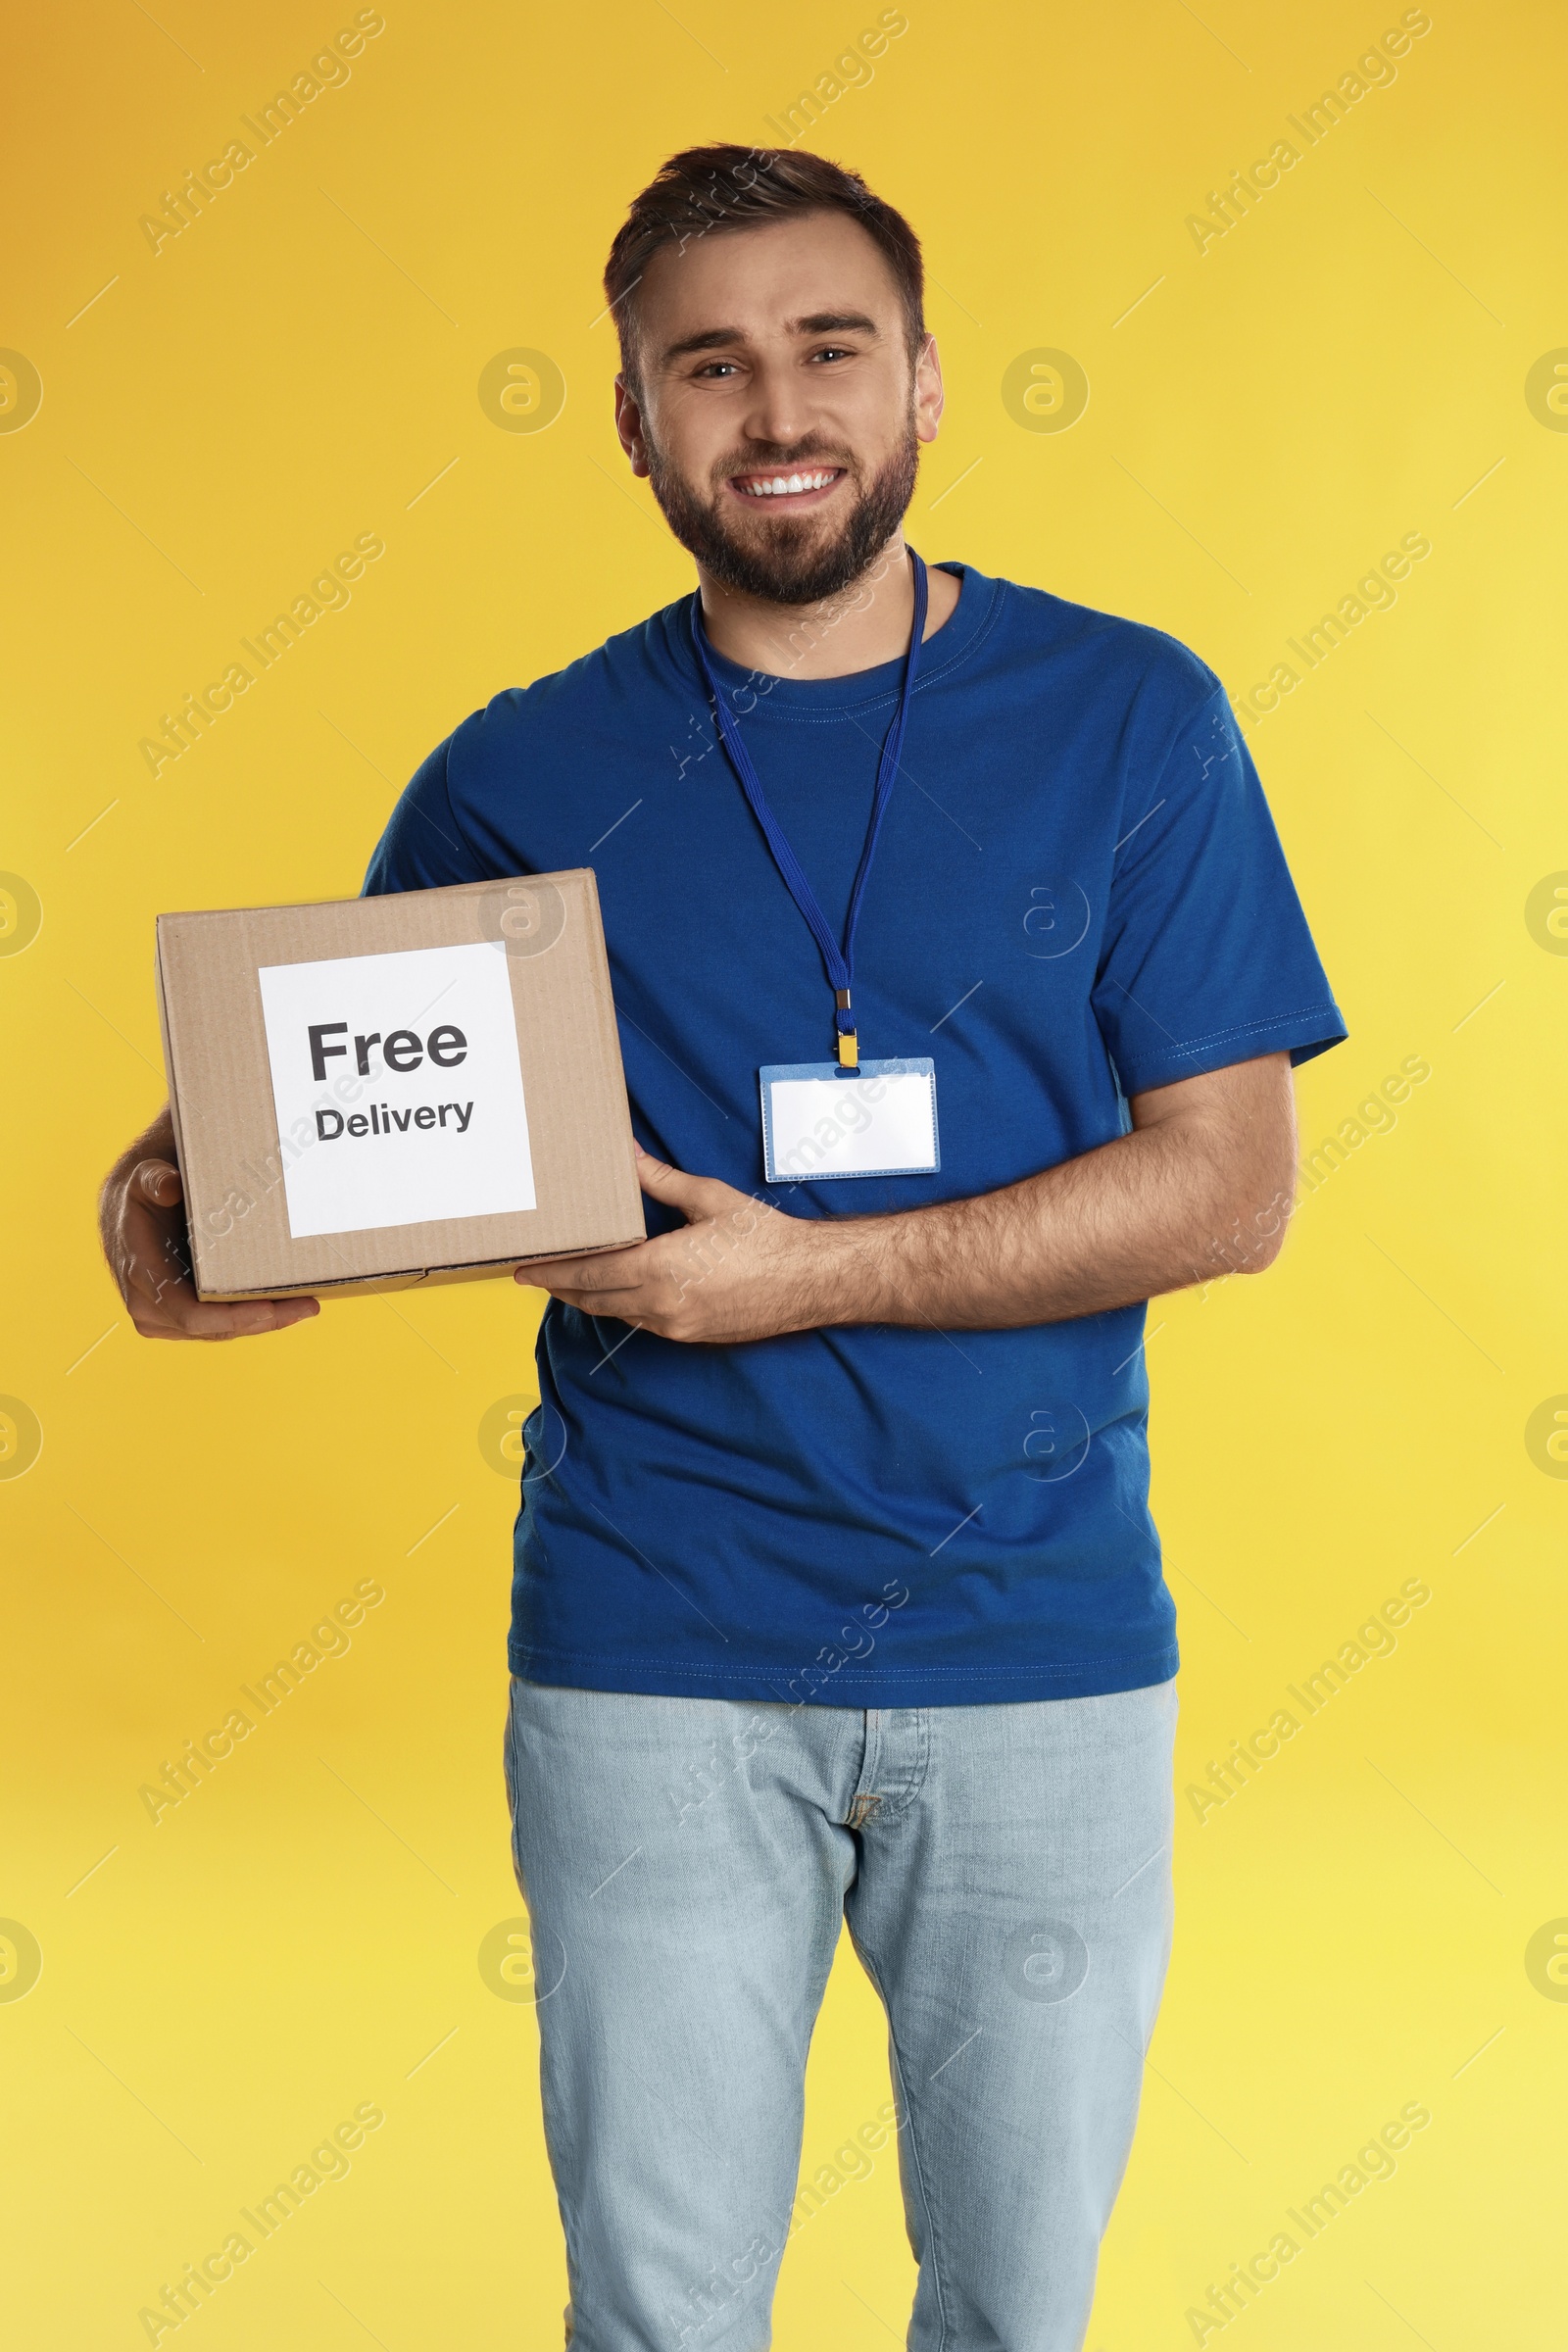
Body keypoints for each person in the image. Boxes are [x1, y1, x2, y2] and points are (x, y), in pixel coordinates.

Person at [100, 145, 1347, 2352]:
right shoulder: (518, 773)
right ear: (633, 421)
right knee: (660, 2312)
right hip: (648, 1656)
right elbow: (352, 1132)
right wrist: (186, 1215)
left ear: (927, 385)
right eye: (708, 365)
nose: (774, 409)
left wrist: (819, 1273)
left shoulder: (1129, 719)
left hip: (1038, 1654)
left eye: (825, 348)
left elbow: (1229, 1187)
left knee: (1015, 2309)